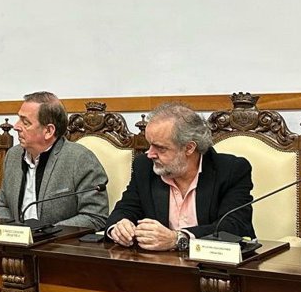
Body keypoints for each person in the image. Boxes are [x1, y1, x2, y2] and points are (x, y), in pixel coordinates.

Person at [106, 102, 254, 251]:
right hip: (158, 261)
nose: (150, 154)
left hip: (213, 262)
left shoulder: (231, 170)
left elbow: (234, 226)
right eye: (149, 144)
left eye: (160, 148)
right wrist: (120, 227)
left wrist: (178, 238)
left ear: (189, 148)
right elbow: (125, 210)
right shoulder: (144, 166)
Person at [0, 92, 107, 231]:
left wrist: (49, 232)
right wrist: (11, 231)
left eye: (25, 122)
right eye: (19, 119)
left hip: (59, 242)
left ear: (48, 131)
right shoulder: (13, 156)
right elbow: (2, 205)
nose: (16, 126)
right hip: (15, 241)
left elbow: (95, 216)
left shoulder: (80, 159)